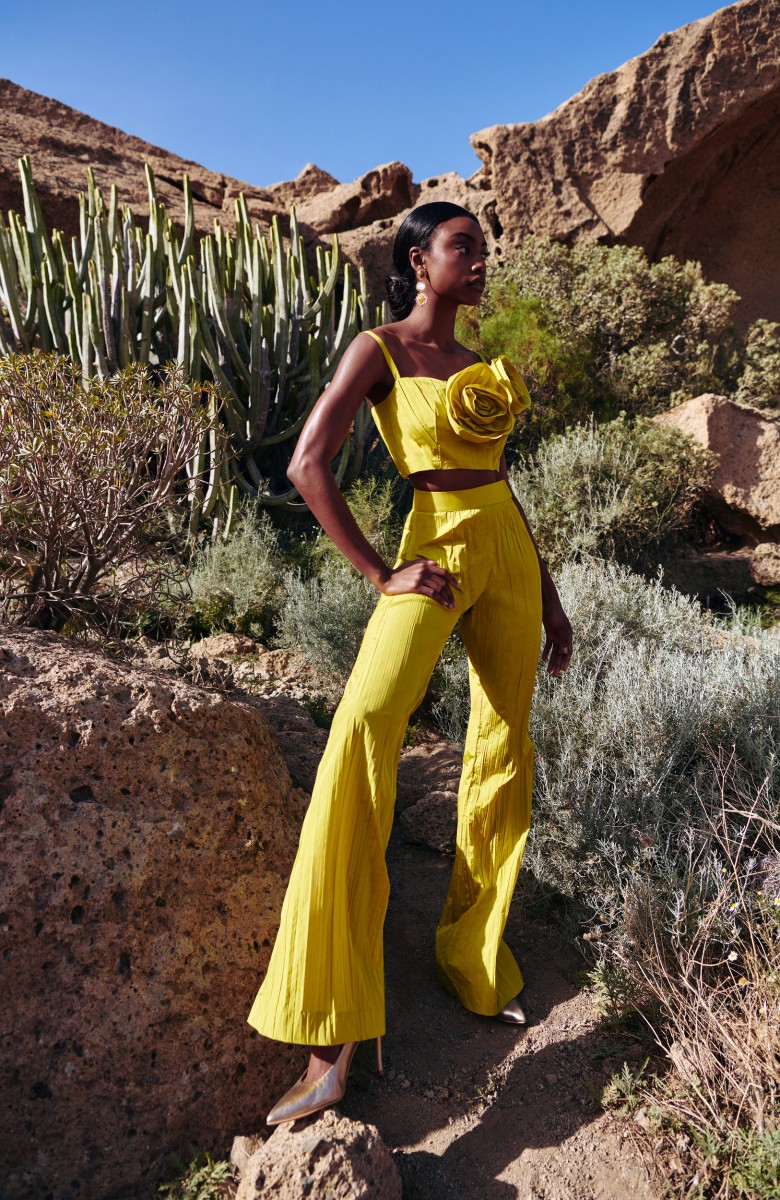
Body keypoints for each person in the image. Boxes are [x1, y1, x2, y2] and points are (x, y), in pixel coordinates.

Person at [247, 201, 573, 1125]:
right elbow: (308, 464)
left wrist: (548, 598)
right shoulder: (379, 349)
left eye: (482, 247)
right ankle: (332, 1035)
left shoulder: (479, 367)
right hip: (430, 555)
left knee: (505, 748)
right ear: (418, 262)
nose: (480, 260)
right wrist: (382, 573)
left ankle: (474, 961)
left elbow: (503, 487)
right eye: (462, 247)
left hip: (507, 550)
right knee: (361, 732)